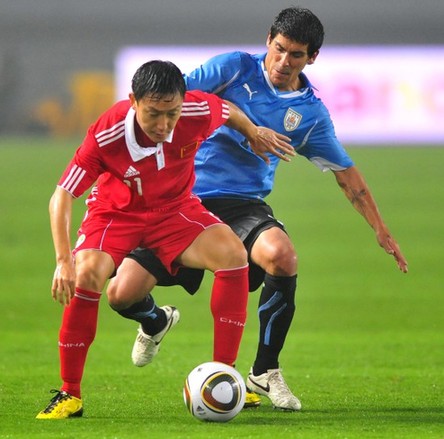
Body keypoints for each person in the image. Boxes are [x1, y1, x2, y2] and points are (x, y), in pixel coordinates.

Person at [107, 7, 408, 412]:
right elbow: (176, 99)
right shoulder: (232, 69)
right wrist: (248, 128)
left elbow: (346, 173)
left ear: (312, 58)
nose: (284, 62)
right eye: (280, 49)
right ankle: (155, 321)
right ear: (268, 39)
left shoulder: (310, 114)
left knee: (282, 256)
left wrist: (380, 228)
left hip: (241, 204)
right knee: (121, 295)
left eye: (296, 55)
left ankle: (265, 371)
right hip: (179, 199)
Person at [36, 60, 294, 419]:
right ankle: (70, 394)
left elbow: (227, 110)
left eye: (171, 114)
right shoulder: (106, 134)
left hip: (175, 211)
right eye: (153, 113)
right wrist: (64, 260)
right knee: (88, 274)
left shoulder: (195, 109)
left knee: (233, 253)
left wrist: (252, 131)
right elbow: (62, 195)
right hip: (115, 215)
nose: (163, 125)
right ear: (133, 101)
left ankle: (224, 377)